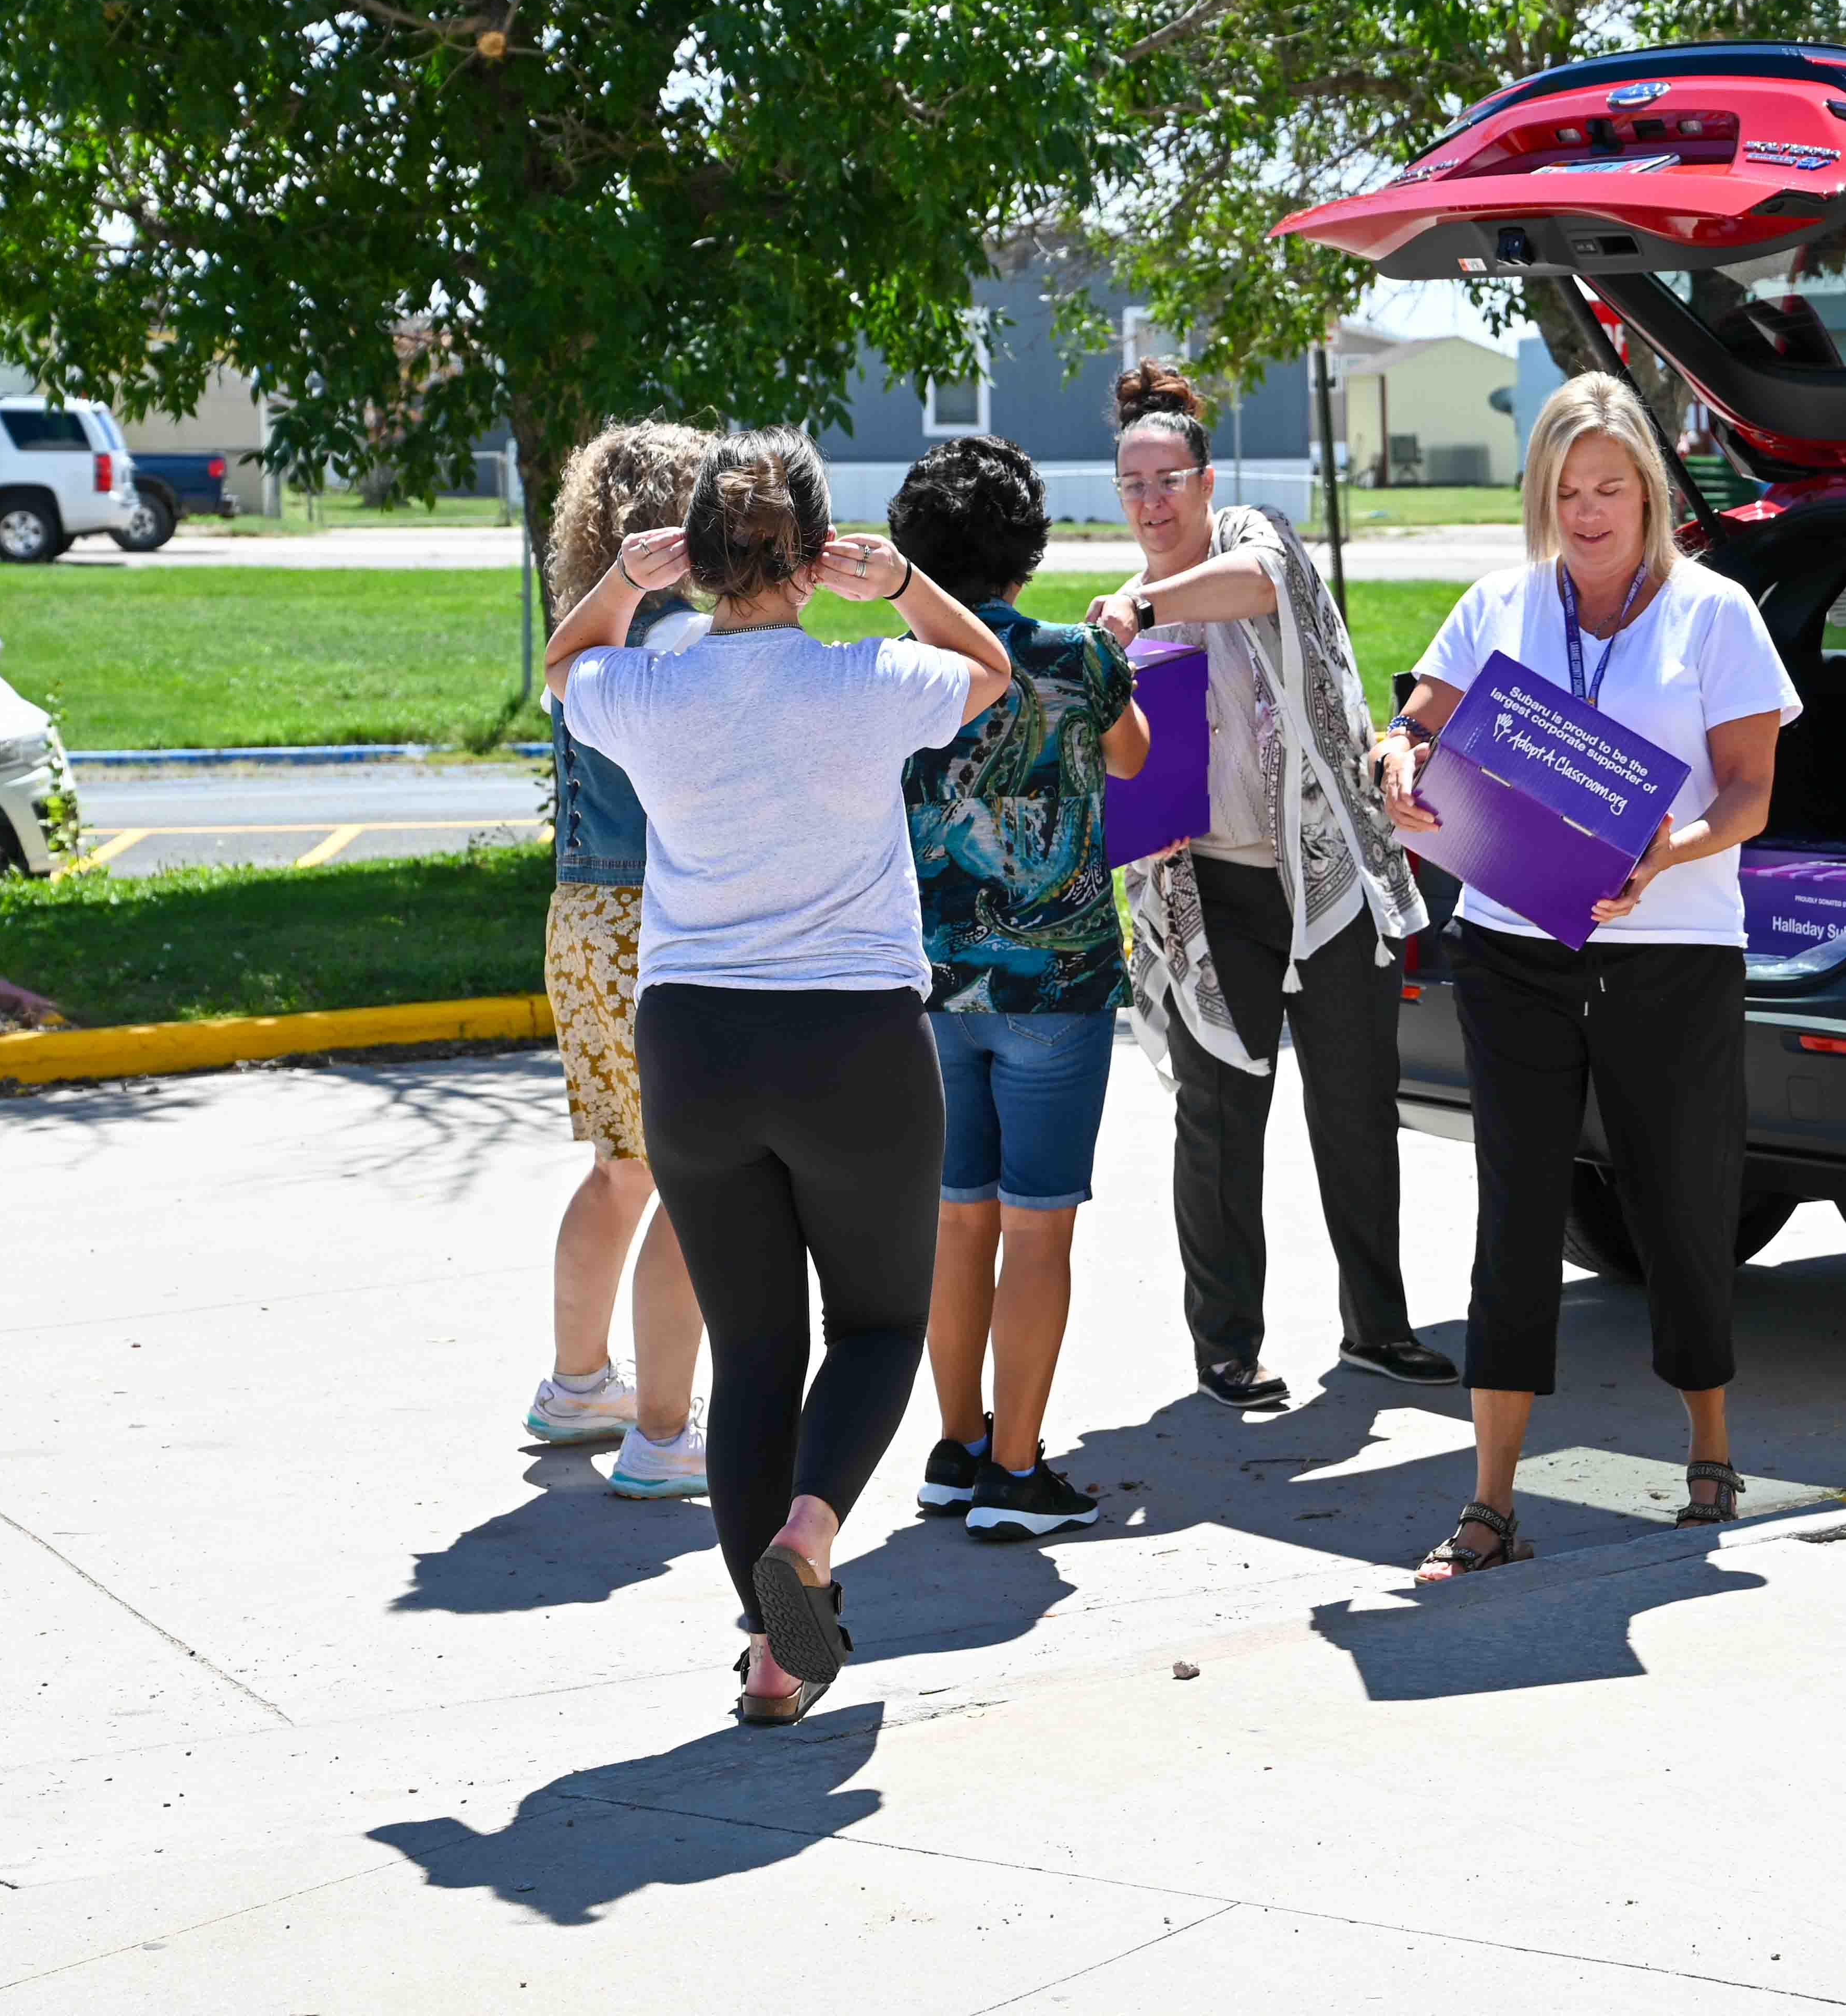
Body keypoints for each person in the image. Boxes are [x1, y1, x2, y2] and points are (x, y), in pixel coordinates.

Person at [545, 429, 1012, 1726]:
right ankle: (808, 1536)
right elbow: (994, 667)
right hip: (852, 1038)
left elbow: (562, 663)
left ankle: (777, 1648)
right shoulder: (870, 677)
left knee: (753, 1351)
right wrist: (904, 580)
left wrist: (629, 583)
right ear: (814, 557)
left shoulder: (652, 687)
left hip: (695, 1043)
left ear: (697, 558)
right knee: (875, 1327)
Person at [1371, 373, 1801, 1579]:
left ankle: (1709, 1450)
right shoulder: (1501, 602)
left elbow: (1752, 795)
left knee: (1681, 1200)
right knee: (1514, 1208)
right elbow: (1415, 717)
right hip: (1516, 945)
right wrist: (1396, 753)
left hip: (1674, 952)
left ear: (1651, 492)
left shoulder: (1714, 616)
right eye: (1567, 489)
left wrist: (1673, 845)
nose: (1589, 509)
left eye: (1611, 487)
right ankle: (1490, 1501)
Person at [1082, 359, 1456, 1409]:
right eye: (1134, 486)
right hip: (1211, 890)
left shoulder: (1257, 542)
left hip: (1325, 878)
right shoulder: (1126, 621)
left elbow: (1259, 593)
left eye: (1169, 481)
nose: (1153, 502)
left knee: (1353, 1107)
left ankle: (1379, 1327)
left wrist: (1141, 602)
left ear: (1206, 480)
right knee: (1217, 1117)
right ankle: (1226, 1346)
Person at [887, 436, 1151, 1542]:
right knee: (1041, 1230)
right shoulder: (1077, 659)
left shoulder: (900, 668)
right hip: (1063, 982)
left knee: (959, 1222)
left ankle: (954, 1447)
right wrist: (1115, 648)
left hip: (939, 981)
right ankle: (1017, 1466)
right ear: (1027, 549)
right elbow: (1133, 758)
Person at [526, 421, 712, 1498]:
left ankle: (576, 1379)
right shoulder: (683, 639)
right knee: (692, 1180)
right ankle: (660, 1431)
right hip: (660, 919)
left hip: (583, 913)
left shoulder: (588, 626)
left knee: (619, 1164)